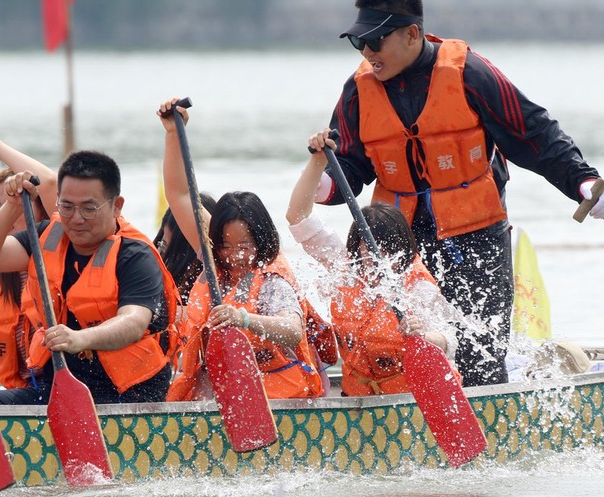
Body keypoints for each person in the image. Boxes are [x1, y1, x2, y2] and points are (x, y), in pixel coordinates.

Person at [323, 0, 604, 387]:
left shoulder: (470, 73)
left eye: (375, 40)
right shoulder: (356, 91)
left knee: (481, 352)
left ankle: (488, 423)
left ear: (412, 33)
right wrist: (323, 184)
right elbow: (350, 166)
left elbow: (533, 133)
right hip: (402, 247)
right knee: (405, 345)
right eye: (358, 41)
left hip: (478, 237)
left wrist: (582, 182)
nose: (368, 52)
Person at [0, 149, 179, 405]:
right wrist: (11, 207)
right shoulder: (46, 236)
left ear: (116, 206)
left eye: (89, 208)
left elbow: (133, 322)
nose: (76, 219)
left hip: (128, 396)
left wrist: (80, 338)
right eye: (67, 207)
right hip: (58, 390)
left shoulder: (135, 256)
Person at [157, 98, 325, 401]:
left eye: (244, 245)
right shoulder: (212, 254)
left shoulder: (273, 278)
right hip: (221, 390)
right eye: (225, 245)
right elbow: (180, 194)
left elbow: (292, 329)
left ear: (260, 241)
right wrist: (173, 133)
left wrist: (244, 319)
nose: (233, 254)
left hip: (274, 396)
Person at [288, 129, 460, 396]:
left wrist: (424, 337)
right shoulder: (346, 266)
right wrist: (318, 160)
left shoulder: (415, 285)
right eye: (368, 247)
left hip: (412, 396)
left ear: (402, 251)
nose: (375, 258)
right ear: (357, 246)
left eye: (387, 250)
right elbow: (297, 217)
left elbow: (450, 339)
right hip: (357, 393)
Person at [0, 122, 59, 404]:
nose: (6, 216)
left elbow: (51, 183)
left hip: (57, 384)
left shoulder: (56, 247)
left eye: (18, 205)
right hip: (21, 390)